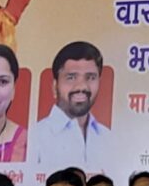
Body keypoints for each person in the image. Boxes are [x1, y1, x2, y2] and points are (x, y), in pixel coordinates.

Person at [34, 42, 111, 171]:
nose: (82, 86)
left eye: (90, 77)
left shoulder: (109, 138)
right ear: (55, 86)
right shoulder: (35, 138)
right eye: (71, 77)